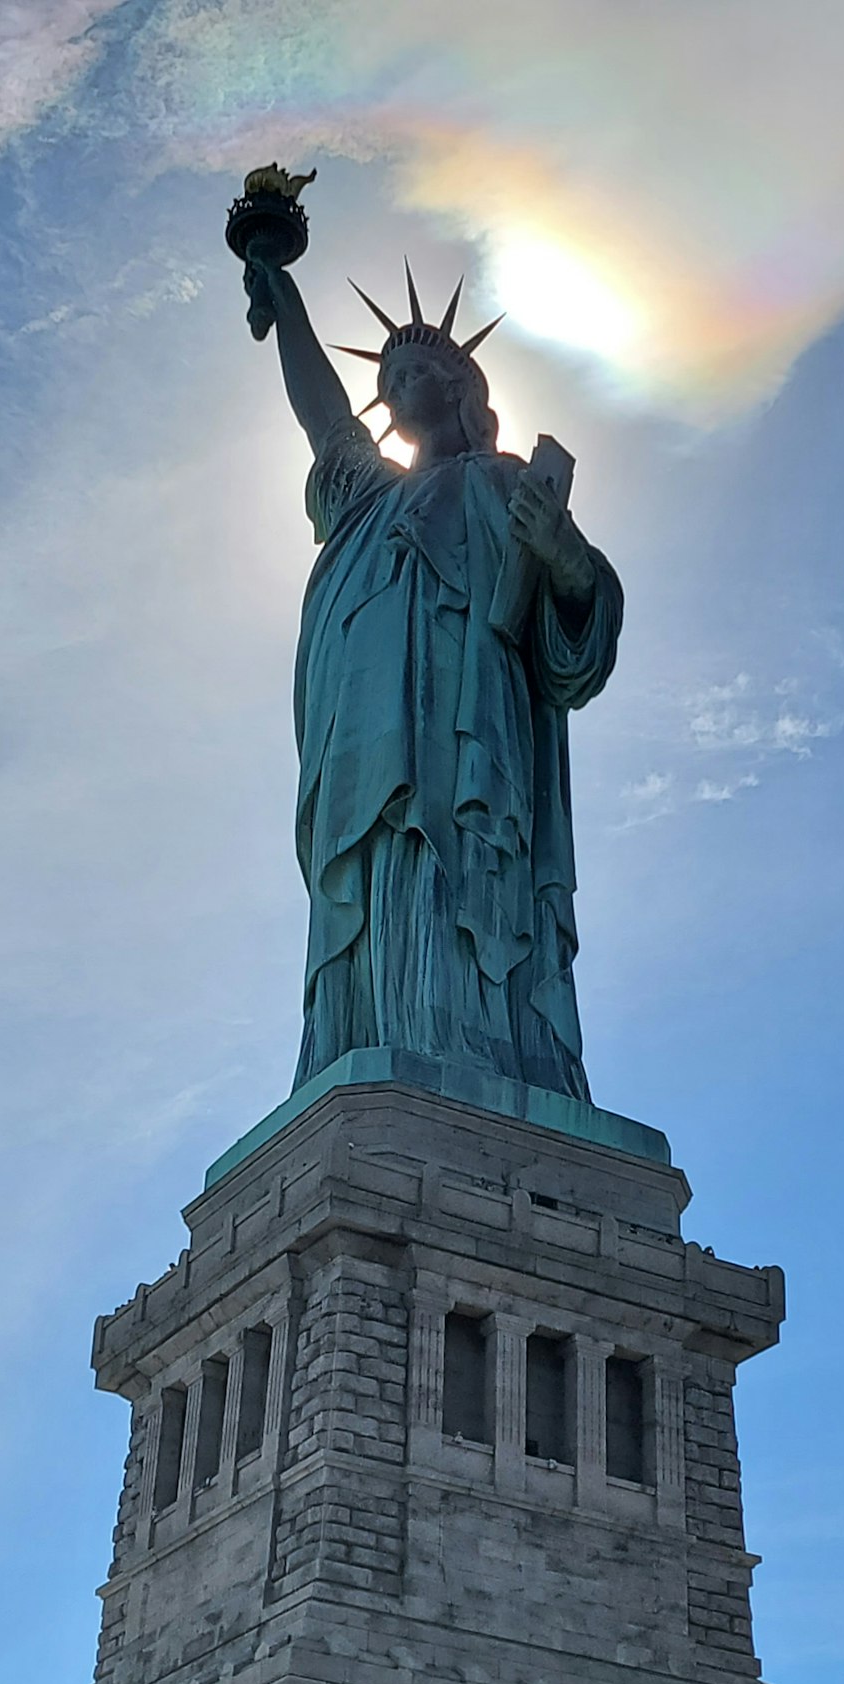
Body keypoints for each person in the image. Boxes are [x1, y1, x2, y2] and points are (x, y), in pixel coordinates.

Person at [244, 249, 624, 1101]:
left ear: (459, 388)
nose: (396, 386)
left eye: (414, 370)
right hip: (362, 757)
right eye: (390, 374)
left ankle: (471, 1054)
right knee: (377, 906)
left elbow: (582, 625)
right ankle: (363, 1052)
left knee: (452, 887)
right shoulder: (364, 502)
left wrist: (561, 557)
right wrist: (288, 306)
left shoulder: (503, 483)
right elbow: (326, 423)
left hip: (466, 748)